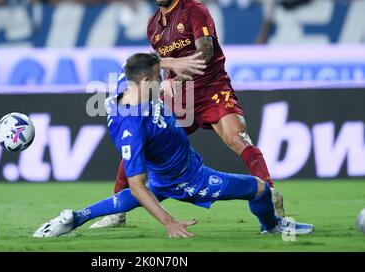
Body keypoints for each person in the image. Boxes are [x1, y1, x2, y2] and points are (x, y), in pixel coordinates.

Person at [91, 0, 285, 229]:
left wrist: (173, 69)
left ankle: (271, 193)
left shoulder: (195, 11)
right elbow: (155, 65)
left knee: (236, 137)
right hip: (179, 97)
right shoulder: (152, 27)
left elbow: (204, 54)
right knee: (142, 143)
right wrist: (170, 70)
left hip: (212, 87)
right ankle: (117, 211)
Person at [33, 53, 314, 238]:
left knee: (136, 196)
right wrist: (169, 222)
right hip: (189, 179)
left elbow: (133, 63)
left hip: (163, 176)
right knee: (260, 190)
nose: (162, 82)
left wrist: (171, 64)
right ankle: (272, 227)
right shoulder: (131, 127)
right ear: (145, 81)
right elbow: (137, 184)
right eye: (158, 78)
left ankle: (73, 218)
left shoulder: (127, 83)